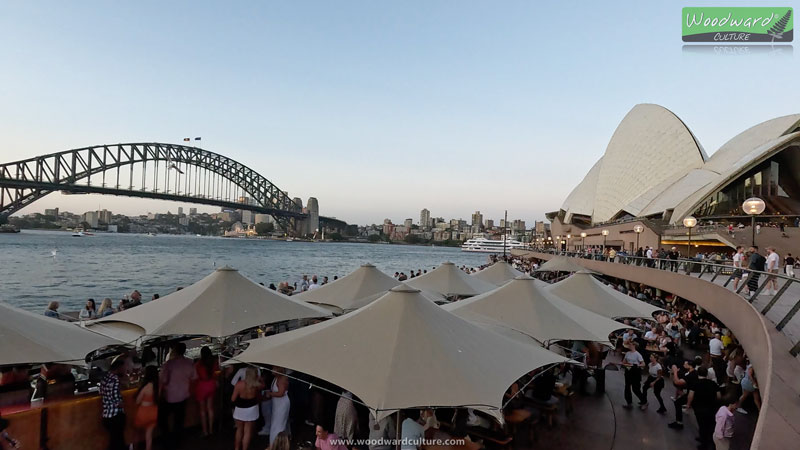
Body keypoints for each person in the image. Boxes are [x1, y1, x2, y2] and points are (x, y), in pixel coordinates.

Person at [158, 342, 196, 447]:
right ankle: (176, 441)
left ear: (175, 350)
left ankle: (167, 439)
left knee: (162, 418)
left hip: (170, 396)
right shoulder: (189, 363)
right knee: (179, 420)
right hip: (183, 395)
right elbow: (194, 377)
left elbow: (163, 380)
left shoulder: (168, 364)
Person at [686, 367, 720, 450]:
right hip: (711, 408)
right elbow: (719, 396)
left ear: (698, 374)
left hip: (699, 408)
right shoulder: (713, 383)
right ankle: (711, 441)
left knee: (702, 425)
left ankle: (703, 444)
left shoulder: (695, 383)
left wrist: (688, 405)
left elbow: (690, 395)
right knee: (711, 425)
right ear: (707, 374)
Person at [100, 356, 127, 450]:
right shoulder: (115, 379)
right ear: (119, 368)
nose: (125, 369)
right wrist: (123, 404)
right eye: (124, 368)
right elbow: (115, 398)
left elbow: (103, 393)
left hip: (106, 415)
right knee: (118, 441)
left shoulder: (105, 377)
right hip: (115, 415)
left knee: (114, 441)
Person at [232, 367, 262, 450]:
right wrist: (260, 379)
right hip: (252, 408)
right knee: (247, 431)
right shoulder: (257, 385)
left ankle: (237, 448)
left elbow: (233, 399)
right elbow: (260, 394)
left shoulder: (239, 384)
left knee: (239, 429)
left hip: (240, 408)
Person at [194, 346, 218, 437]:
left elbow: (195, 376)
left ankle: (205, 431)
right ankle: (211, 429)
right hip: (211, 385)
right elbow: (216, 373)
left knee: (202, 411)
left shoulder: (198, 364)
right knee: (210, 408)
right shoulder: (214, 362)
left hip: (201, 386)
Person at [668, 359, 698, 429]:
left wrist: (675, 372)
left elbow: (677, 382)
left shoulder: (691, 375)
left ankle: (679, 423)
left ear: (690, 366)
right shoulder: (693, 372)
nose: (683, 365)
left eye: (685, 364)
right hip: (693, 393)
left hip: (693, 395)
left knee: (677, 403)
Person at [134, 366, 159, 450]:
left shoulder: (146, 387)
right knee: (149, 436)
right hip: (154, 411)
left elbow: (137, 401)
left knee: (137, 433)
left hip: (143, 412)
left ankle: (135, 448)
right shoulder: (158, 386)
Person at [265, 366, 290, 446]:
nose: (272, 370)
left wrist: (270, 394)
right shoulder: (277, 378)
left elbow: (280, 393)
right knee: (276, 422)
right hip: (277, 403)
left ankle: (275, 443)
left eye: (273, 369)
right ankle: (276, 443)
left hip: (281, 403)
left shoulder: (281, 379)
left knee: (278, 424)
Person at [621, 343, 647, 409]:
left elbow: (643, 364)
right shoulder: (627, 353)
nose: (629, 346)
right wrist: (626, 364)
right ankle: (629, 403)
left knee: (635, 389)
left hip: (635, 373)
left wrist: (636, 365)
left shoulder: (638, 354)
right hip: (628, 372)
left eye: (630, 345)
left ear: (634, 346)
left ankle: (644, 402)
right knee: (627, 387)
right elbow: (624, 362)